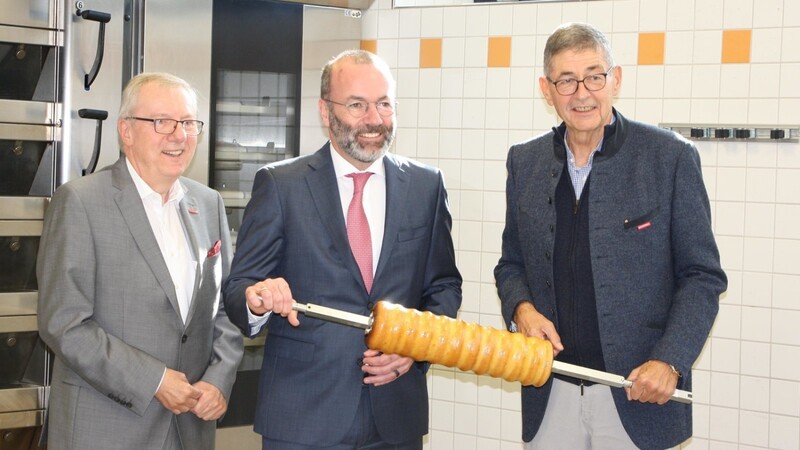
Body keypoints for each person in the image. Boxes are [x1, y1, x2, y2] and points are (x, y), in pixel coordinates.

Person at [494, 23, 727, 450]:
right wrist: (521, 310)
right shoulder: (523, 162)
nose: (582, 93)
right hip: (550, 395)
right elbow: (510, 264)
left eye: (594, 76)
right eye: (566, 80)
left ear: (615, 80)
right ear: (546, 90)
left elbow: (702, 276)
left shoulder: (669, 158)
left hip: (638, 396)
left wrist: (670, 361)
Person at [222, 49, 462, 450]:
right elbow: (240, 286)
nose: (374, 119)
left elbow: (443, 287)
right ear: (324, 110)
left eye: (384, 104)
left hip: (395, 417)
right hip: (302, 417)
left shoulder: (426, 185)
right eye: (357, 105)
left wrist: (415, 348)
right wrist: (256, 298)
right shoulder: (281, 185)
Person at [37, 72, 243, 450]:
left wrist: (219, 378)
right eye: (162, 122)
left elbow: (224, 309)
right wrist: (154, 380)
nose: (178, 135)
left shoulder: (208, 203)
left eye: (187, 123)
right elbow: (64, 323)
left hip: (190, 428)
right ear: (126, 131)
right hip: (105, 428)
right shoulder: (80, 202)